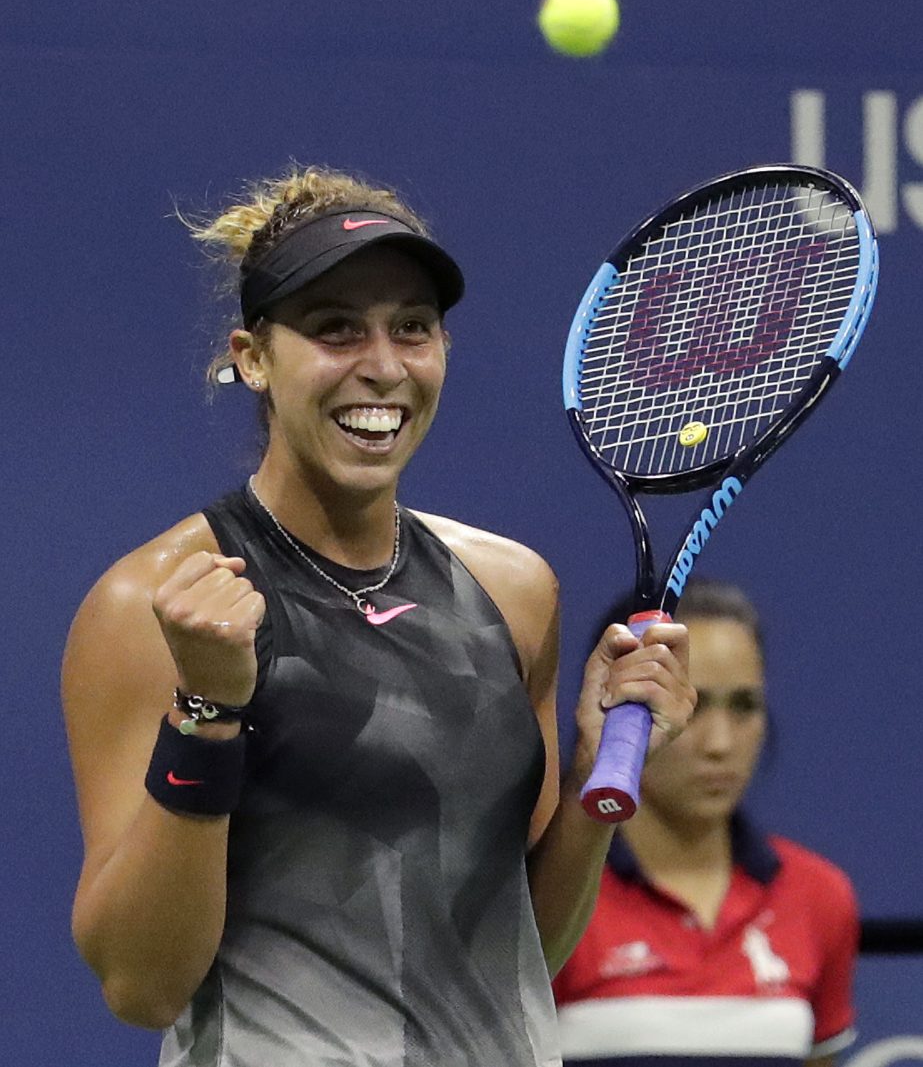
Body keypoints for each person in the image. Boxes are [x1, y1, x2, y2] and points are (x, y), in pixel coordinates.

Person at [60, 164, 697, 1067]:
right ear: (252, 357)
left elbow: (527, 951)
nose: (384, 366)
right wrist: (205, 717)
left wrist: (596, 785)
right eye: (334, 330)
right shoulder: (149, 606)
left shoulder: (514, 592)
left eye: (412, 328)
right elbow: (141, 984)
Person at [553, 579, 859, 1067]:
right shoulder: (549, 900)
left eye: (743, 706)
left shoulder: (819, 897)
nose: (720, 744)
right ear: (620, 708)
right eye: (691, 704)